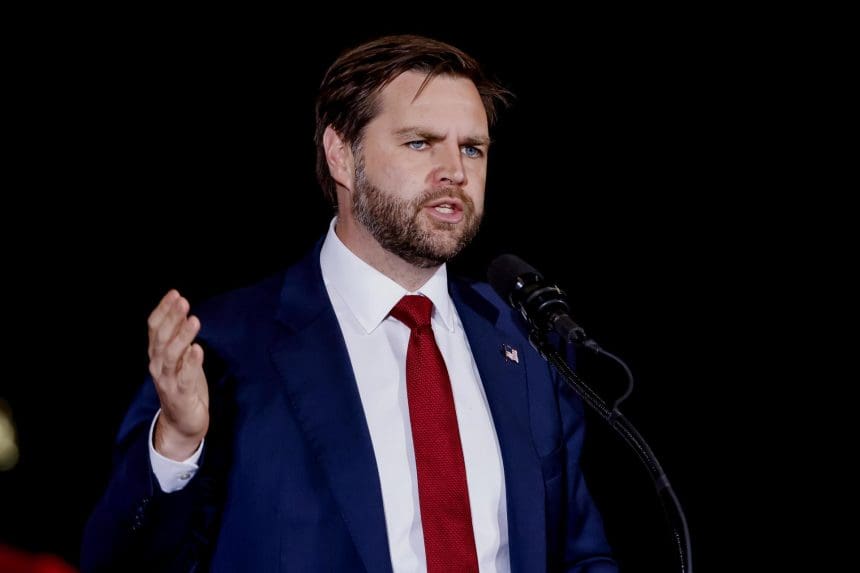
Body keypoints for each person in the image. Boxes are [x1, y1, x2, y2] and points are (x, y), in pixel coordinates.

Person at [81, 34, 618, 572]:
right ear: (341, 154)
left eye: (472, 148)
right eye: (420, 143)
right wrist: (176, 444)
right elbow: (119, 563)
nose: (455, 170)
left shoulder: (526, 343)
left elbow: (581, 554)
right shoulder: (226, 347)